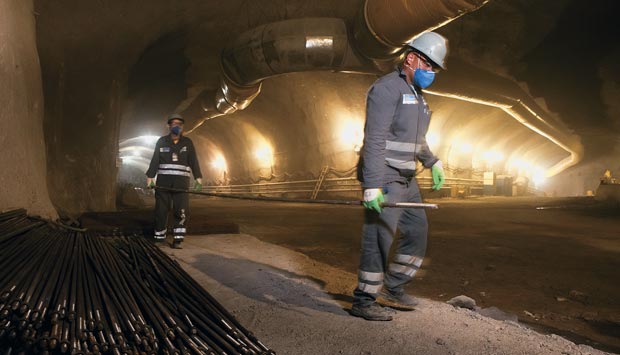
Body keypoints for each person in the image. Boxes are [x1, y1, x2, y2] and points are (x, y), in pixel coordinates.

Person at [352, 32, 448, 321]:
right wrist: (372, 185)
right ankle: (364, 299)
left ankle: (393, 288)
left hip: (408, 179)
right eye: (429, 65)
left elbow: (416, 139)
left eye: (434, 68)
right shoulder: (386, 90)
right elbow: (375, 139)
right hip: (387, 175)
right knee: (379, 237)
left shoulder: (419, 97)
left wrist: (433, 161)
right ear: (411, 58)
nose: (431, 72)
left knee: (417, 232)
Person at [146, 113, 203, 249]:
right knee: (161, 210)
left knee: (181, 211)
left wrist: (198, 178)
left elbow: (193, 161)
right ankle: (159, 237)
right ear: (168, 126)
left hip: (181, 184)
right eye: (174, 124)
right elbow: (155, 160)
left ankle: (178, 239)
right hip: (163, 183)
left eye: (179, 124)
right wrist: (150, 177)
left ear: (182, 127)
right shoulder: (161, 141)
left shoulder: (187, 143)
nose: (176, 126)